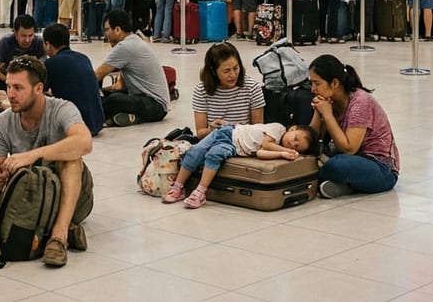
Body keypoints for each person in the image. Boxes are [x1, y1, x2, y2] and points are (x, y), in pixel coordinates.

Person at [0, 57, 93, 268]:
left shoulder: (61, 109)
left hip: (70, 196)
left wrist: (32, 155)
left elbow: (84, 142)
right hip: (32, 200)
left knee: (71, 159)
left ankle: (59, 235)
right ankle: (49, 230)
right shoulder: (3, 121)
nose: (10, 94)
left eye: (18, 87)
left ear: (38, 88)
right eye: (8, 86)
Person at [162, 122, 317, 208]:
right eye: (295, 138)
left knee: (214, 155)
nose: (292, 144)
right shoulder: (278, 128)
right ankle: (177, 187)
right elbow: (266, 144)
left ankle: (200, 192)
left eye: (296, 147)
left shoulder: (277, 147)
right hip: (227, 132)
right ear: (293, 128)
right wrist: (284, 150)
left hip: (234, 147)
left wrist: (283, 155)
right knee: (196, 151)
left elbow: (261, 153)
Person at [307, 55, 400, 197]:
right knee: (306, 152)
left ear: (335, 83)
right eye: (311, 83)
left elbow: (349, 148)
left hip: (380, 168)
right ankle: (346, 186)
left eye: (317, 83)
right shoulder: (330, 100)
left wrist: (327, 115)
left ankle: (325, 177)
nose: (313, 89)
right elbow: (311, 140)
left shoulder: (360, 102)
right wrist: (317, 113)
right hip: (350, 160)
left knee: (335, 165)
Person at [94, 10, 169, 127]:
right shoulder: (133, 40)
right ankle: (129, 117)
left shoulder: (125, 46)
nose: (106, 34)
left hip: (155, 106)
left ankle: (113, 116)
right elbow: (121, 81)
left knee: (112, 100)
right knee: (108, 94)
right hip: (151, 102)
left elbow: (98, 75)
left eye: (107, 29)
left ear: (117, 30)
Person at [42, 23, 105, 136]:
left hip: (75, 125)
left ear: (47, 44)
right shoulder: (84, 58)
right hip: (97, 122)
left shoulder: (50, 63)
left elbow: (40, 90)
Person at [192, 42, 265, 138]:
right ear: (213, 71)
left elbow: (258, 129)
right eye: (226, 71)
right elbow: (200, 133)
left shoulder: (252, 87)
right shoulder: (201, 90)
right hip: (215, 141)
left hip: (244, 142)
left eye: (236, 68)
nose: (233, 75)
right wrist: (211, 129)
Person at [0, 14, 45, 92]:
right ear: (15, 34)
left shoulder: (38, 42)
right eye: (23, 36)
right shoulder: (5, 43)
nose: (27, 40)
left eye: (31, 35)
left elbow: (42, 71)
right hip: (8, 83)